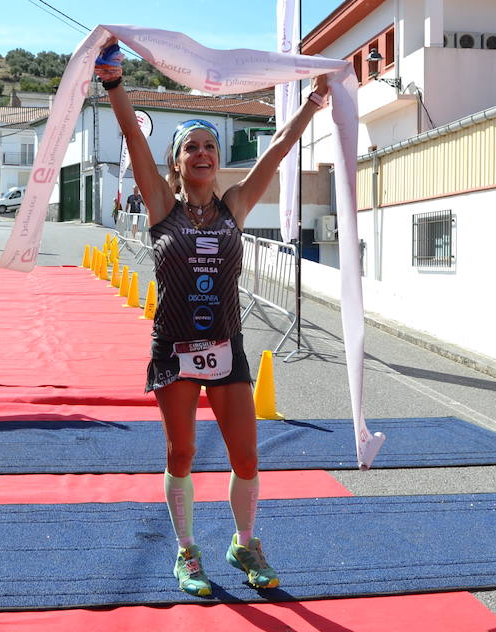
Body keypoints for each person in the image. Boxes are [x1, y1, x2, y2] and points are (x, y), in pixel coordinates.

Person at [95, 39, 328, 596]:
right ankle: (187, 552)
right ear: (176, 162)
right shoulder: (161, 206)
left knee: (246, 454)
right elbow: (132, 137)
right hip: (174, 348)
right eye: (191, 147)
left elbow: (277, 150)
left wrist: (313, 104)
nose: (202, 154)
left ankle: (244, 543)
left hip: (227, 349)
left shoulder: (235, 208)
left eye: (210, 147)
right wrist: (113, 85)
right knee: (182, 452)